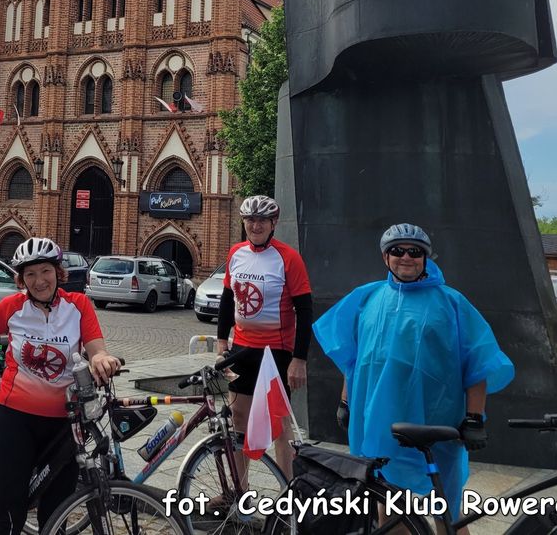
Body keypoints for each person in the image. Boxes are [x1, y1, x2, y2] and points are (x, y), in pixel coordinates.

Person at [313, 223, 514, 523]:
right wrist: (345, 401)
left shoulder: (451, 302)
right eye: (397, 250)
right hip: (380, 420)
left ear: (426, 258)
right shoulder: (367, 298)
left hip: (435, 420)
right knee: (390, 505)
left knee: (447, 511)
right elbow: (355, 359)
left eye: (414, 252)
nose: (406, 257)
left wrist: (474, 417)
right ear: (385, 257)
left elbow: (479, 361)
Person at [0, 237, 122, 535]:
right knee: (9, 515)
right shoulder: (11, 307)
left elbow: (96, 348)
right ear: (21, 279)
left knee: (56, 514)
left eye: (45, 271)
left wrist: (102, 359)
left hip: (64, 426)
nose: (39, 280)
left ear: (58, 272)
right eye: (29, 274)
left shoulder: (78, 305)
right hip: (14, 420)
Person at [216, 195, 312, 481]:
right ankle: (238, 490)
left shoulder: (288, 258)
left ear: (273, 224)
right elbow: (227, 299)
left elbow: (305, 310)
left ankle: (287, 494)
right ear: (243, 222)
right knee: (239, 420)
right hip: (242, 348)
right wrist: (222, 343)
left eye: (262, 220)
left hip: (276, 352)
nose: (255, 225)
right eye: (250, 220)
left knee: (279, 425)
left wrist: (299, 359)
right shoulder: (236, 253)